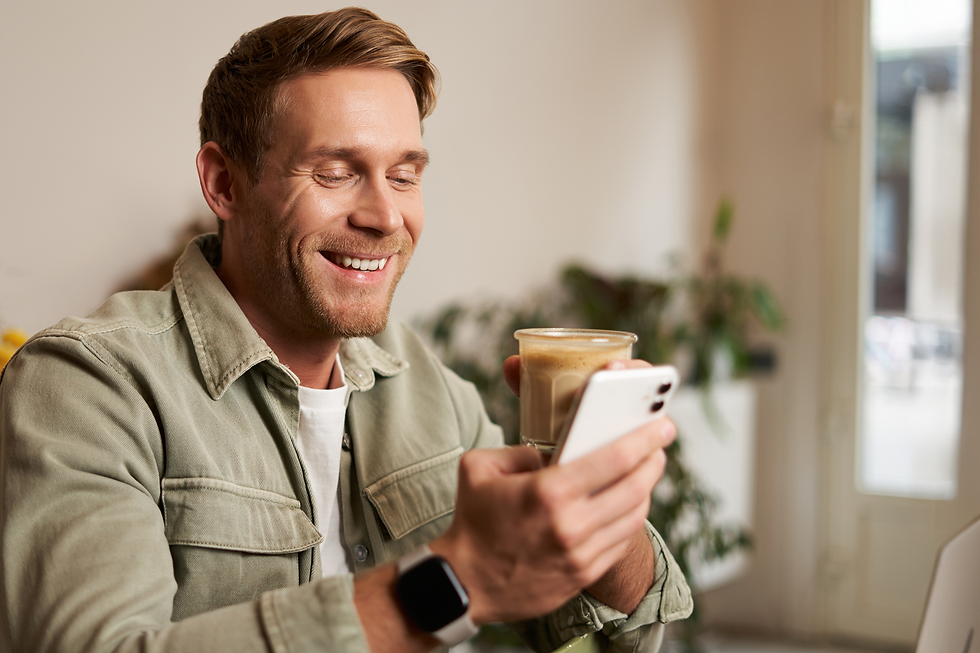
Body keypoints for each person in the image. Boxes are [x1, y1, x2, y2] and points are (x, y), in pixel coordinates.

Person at [0, 8, 692, 653]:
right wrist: (452, 583)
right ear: (224, 183)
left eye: (403, 174)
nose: (386, 216)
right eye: (335, 172)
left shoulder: (415, 377)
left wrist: (599, 501)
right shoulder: (85, 383)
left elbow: (622, 630)